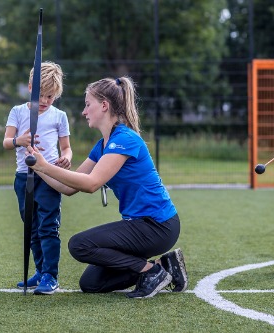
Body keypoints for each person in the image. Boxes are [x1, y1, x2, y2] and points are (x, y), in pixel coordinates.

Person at [27, 76, 188, 298]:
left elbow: (91, 184)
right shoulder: (103, 145)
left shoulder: (125, 139)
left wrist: (45, 166)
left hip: (157, 226)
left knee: (79, 245)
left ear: (104, 106)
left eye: (87, 104)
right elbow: (68, 186)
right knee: (91, 283)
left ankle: (152, 271)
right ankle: (166, 266)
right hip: (139, 225)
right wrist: (38, 166)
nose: (84, 112)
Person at [3, 61, 72, 294]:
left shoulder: (59, 116)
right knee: (31, 227)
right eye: (40, 94)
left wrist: (66, 158)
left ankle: (51, 276)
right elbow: (6, 142)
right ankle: (41, 271)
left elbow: (67, 148)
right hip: (23, 177)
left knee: (48, 227)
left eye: (50, 96)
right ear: (29, 86)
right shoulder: (18, 112)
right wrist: (18, 142)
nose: (44, 101)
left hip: (48, 177)